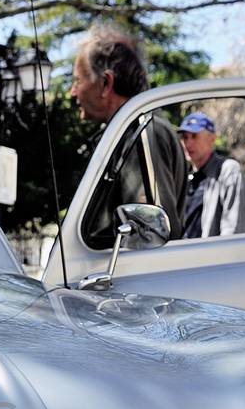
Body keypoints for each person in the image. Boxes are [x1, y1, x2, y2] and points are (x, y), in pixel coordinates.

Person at [67, 24, 188, 246]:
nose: (72, 92)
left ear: (105, 83)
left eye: (77, 81)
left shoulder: (142, 132)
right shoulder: (131, 132)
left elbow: (151, 237)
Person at [176, 112, 245, 239]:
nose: (188, 143)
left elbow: (233, 230)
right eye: (184, 137)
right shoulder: (186, 178)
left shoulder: (228, 170)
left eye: (194, 136)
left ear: (212, 139)